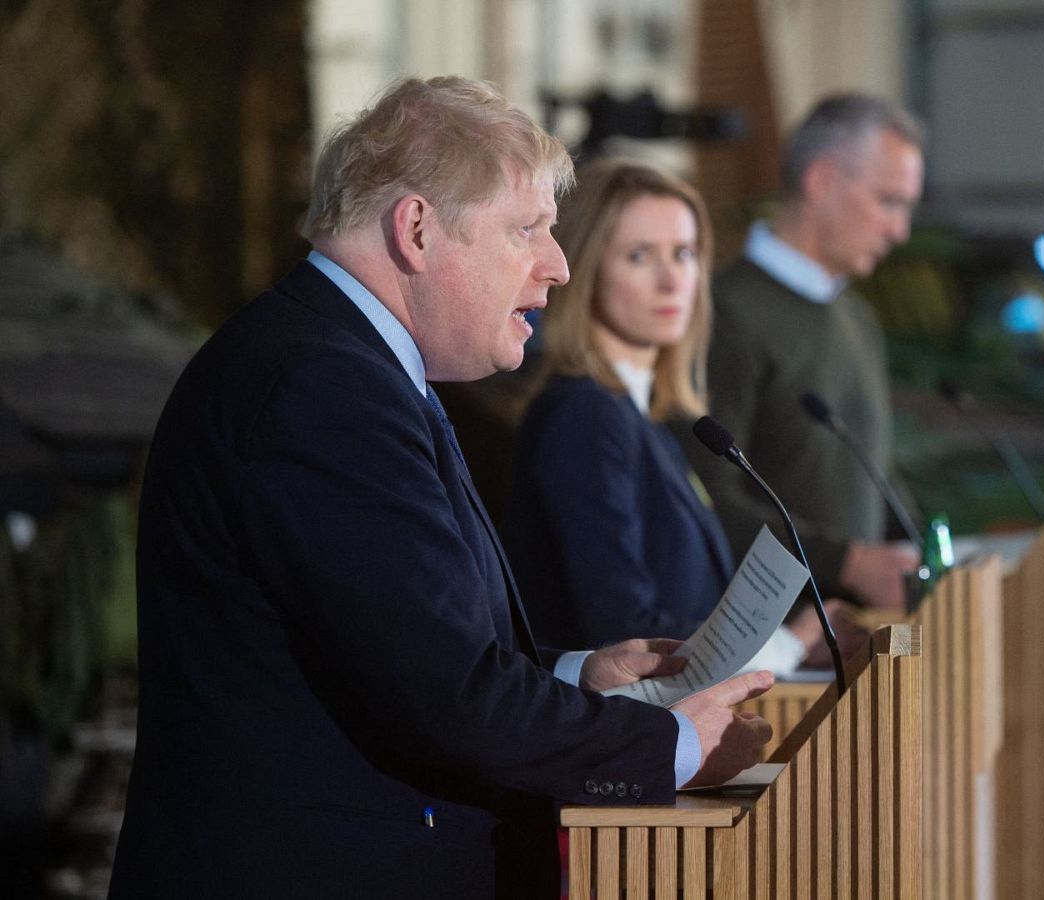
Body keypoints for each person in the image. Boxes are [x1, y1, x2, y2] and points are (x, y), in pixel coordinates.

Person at [109, 77, 773, 899]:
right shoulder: (322, 388)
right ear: (417, 229)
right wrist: (671, 744)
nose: (559, 266)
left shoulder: (351, 364)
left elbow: (407, 652)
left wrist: (572, 678)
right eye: (526, 229)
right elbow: (448, 698)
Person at [503, 158, 864, 670]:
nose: (673, 280)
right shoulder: (584, 415)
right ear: (582, 269)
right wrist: (788, 646)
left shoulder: (636, 413)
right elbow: (624, 630)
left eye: (685, 254)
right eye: (639, 256)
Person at [680, 93, 924, 611]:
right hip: (770, 648)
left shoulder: (857, 316)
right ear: (822, 181)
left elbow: (869, 471)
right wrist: (847, 564)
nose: (899, 231)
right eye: (889, 201)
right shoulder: (726, 312)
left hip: (851, 633)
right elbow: (707, 499)